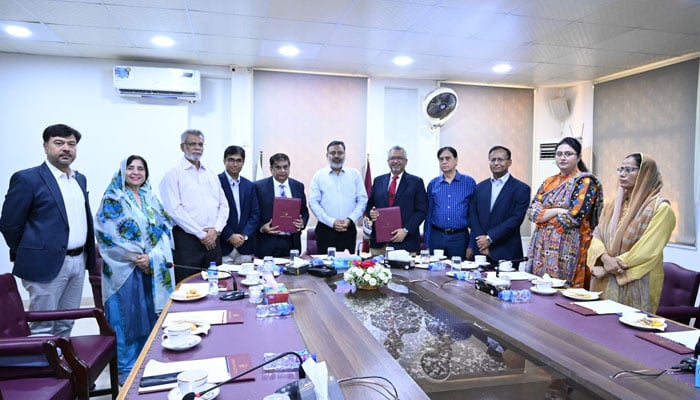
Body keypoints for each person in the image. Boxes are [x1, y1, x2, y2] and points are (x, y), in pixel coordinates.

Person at [0, 123, 95, 337]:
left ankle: (63, 367)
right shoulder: (27, 179)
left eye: (71, 144)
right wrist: (31, 251)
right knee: (43, 326)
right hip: (45, 264)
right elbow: (9, 224)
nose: (66, 148)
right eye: (59, 143)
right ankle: (44, 368)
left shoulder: (79, 179)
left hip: (78, 261)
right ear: (45, 146)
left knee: (66, 322)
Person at [94, 156, 175, 384]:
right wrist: (136, 257)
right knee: (127, 318)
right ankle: (126, 370)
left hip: (151, 269)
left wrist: (153, 258)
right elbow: (108, 234)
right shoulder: (113, 198)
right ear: (122, 171)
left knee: (149, 316)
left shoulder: (151, 199)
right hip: (125, 271)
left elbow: (165, 229)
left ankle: (148, 362)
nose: (136, 172)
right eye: (131, 168)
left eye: (141, 169)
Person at [587, 154, 675, 313]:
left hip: (637, 280)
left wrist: (610, 266)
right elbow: (597, 235)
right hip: (606, 279)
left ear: (645, 174)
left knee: (631, 330)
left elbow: (647, 250)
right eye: (620, 169)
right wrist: (605, 259)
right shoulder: (613, 205)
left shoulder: (661, 209)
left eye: (629, 170)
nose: (622, 174)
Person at [525, 137, 603, 288]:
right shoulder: (549, 181)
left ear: (579, 157)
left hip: (569, 243)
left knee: (564, 292)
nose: (562, 157)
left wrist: (543, 216)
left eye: (568, 154)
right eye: (559, 154)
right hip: (541, 244)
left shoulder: (585, 182)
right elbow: (531, 213)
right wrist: (558, 210)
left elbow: (572, 218)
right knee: (540, 290)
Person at [159, 129, 229, 283]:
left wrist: (216, 230)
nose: (197, 147)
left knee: (216, 284)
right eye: (192, 144)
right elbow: (174, 210)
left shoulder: (210, 173)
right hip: (188, 241)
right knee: (188, 285)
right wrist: (201, 234)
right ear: (182, 147)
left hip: (213, 240)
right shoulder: (173, 174)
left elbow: (224, 205)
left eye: (200, 144)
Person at [468, 146, 530, 267]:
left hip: (506, 250)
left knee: (507, 286)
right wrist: (482, 242)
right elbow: (473, 215)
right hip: (480, 251)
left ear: (509, 162)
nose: (496, 163)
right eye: (493, 160)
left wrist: (489, 238)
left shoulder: (521, 189)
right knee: (474, 285)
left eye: (500, 159)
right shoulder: (480, 187)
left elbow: (516, 219)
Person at [366, 146, 427, 255]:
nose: (395, 161)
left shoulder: (416, 182)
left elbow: (422, 211)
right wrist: (371, 213)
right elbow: (370, 205)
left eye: (400, 158)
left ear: (406, 161)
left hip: (406, 243)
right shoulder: (378, 180)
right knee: (376, 272)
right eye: (392, 158)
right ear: (388, 161)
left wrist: (406, 230)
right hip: (379, 244)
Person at [309, 140, 368, 254]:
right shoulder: (319, 176)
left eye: (340, 153)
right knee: (326, 267)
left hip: (348, 229)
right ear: (327, 156)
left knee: (347, 267)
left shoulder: (354, 175)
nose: (336, 156)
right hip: (325, 230)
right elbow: (313, 202)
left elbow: (362, 200)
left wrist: (350, 219)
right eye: (333, 153)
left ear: (345, 154)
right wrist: (331, 222)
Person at [424, 146, 476, 258]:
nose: (444, 162)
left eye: (448, 158)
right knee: (435, 272)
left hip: (459, 237)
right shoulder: (433, 184)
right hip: (437, 236)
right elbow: (428, 215)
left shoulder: (469, 182)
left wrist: (471, 245)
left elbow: (474, 216)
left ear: (456, 160)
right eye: (441, 159)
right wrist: (427, 242)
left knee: (458, 270)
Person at [254, 153, 309, 258]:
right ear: (271, 169)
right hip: (267, 243)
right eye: (278, 167)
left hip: (292, 243)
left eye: (285, 167)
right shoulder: (258, 187)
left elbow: (304, 212)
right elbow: (253, 214)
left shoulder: (298, 186)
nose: (282, 170)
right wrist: (262, 227)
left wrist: (302, 223)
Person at [218, 146, 259, 264]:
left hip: (245, 246)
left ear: (243, 162)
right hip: (224, 245)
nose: (235, 164)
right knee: (225, 282)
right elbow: (213, 214)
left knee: (247, 281)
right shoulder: (215, 182)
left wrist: (244, 235)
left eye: (238, 160)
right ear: (224, 161)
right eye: (231, 160)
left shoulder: (249, 185)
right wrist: (230, 235)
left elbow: (255, 214)